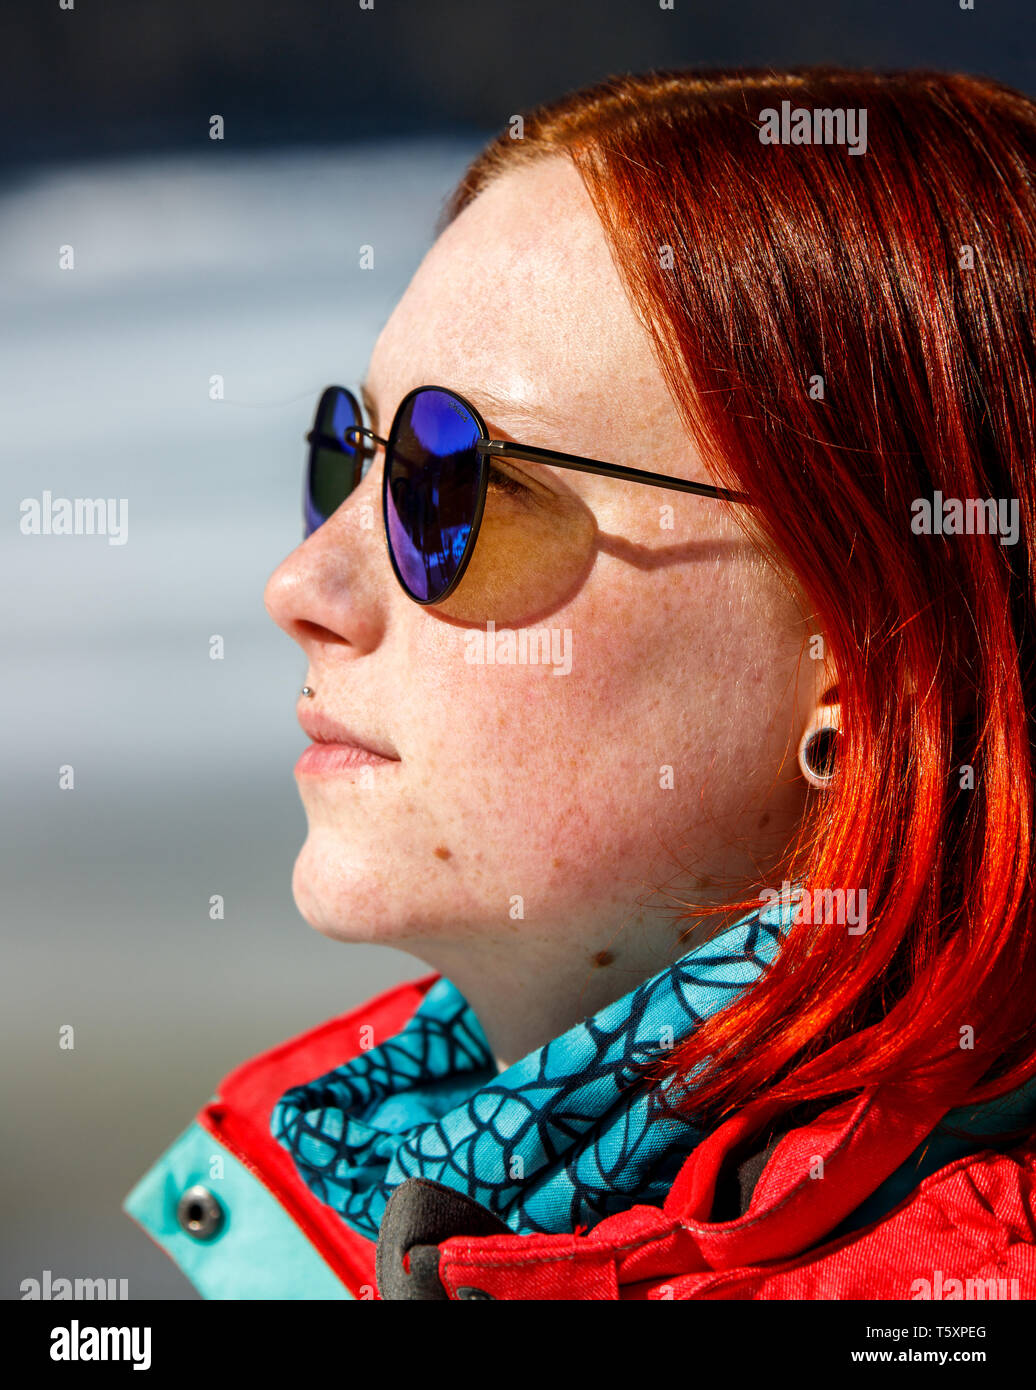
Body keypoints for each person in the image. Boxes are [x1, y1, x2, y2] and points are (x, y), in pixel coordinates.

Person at [124, 66, 1036, 1300]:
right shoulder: (352, 1184)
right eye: (357, 453)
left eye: (460, 485)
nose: (300, 584)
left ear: (857, 644)